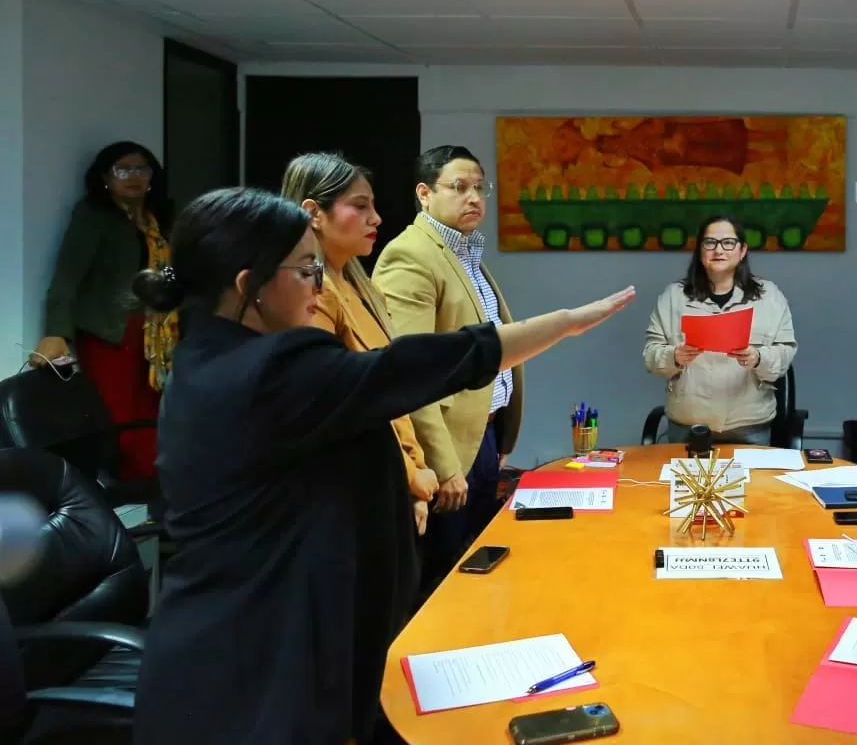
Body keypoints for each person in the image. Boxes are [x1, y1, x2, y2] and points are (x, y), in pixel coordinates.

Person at [130, 186, 633, 745]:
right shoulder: (268, 373)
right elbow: (411, 368)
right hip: (256, 671)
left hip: (240, 645)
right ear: (249, 285)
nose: (320, 288)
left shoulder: (208, 359)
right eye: (306, 271)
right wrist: (564, 323)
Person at [373, 145, 520, 588]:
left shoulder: (465, 253)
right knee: (445, 577)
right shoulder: (411, 257)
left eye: (480, 188)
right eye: (459, 187)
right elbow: (410, 372)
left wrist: (499, 435)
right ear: (424, 193)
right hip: (448, 453)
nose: (473, 197)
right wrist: (444, 464)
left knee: (476, 568)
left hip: (482, 438)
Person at [279, 152, 439, 536]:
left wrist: (416, 472)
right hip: (356, 495)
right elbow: (339, 407)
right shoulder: (311, 293)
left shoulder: (358, 285)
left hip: (397, 485)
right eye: (360, 206)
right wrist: (411, 477)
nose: (376, 218)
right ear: (313, 212)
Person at [34, 141, 175, 480]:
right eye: (122, 170)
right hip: (109, 333)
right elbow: (67, 278)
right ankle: (129, 491)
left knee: (154, 412)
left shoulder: (159, 219)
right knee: (119, 416)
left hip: (154, 334)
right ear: (105, 178)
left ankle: (154, 487)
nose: (134, 177)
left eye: (142, 169)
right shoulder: (94, 215)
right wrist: (56, 333)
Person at [643, 214, 797, 444]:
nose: (719, 250)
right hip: (688, 425)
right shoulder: (673, 297)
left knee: (752, 482)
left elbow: (785, 354)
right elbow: (650, 355)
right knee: (684, 481)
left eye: (728, 243)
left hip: (749, 426)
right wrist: (673, 356)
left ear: (742, 250)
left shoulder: (770, 296)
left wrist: (758, 357)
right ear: (700, 250)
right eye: (710, 243)